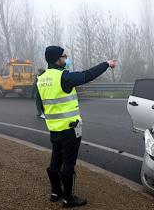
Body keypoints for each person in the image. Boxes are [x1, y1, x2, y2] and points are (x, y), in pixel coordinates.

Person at [36, 45, 116, 208]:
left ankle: (55, 192)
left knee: (55, 160)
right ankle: (69, 198)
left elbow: (41, 106)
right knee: (68, 164)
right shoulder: (63, 77)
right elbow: (88, 75)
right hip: (69, 129)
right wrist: (106, 64)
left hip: (54, 128)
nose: (66, 59)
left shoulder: (41, 79)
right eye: (64, 56)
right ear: (57, 59)